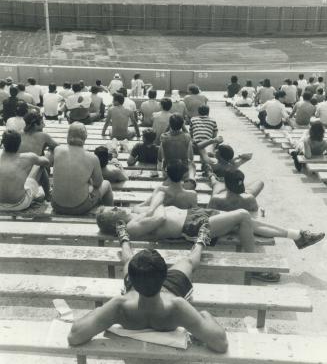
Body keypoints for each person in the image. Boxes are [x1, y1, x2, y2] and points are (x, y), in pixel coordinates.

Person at [68, 225, 228, 353]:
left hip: (136, 294)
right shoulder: (178, 307)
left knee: (129, 260)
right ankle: (200, 243)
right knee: (187, 261)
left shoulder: (119, 306)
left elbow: (74, 336)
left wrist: (98, 313)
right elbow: (220, 343)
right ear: (165, 275)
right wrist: (204, 315)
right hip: (172, 290)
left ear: (130, 280)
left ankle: (124, 240)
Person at [96, 204, 325, 253]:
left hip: (195, 216)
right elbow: (161, 217)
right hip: (193, 227)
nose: (116, 206)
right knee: (243, 215)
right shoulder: (132, 225)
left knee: (247, 222)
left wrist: (153, 205)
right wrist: (157, 207)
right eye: (112, 210)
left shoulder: (135, 214)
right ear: (114, 221)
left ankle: (297, 235)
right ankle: (253, 262)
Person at [52, 123, 113, 215]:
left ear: (68, 136)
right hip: (79, 207)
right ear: (85, 137)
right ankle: (110, 215)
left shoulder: (57, 150)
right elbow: (98, 183)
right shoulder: (92, 158)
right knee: (106, 184)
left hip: (56, 205)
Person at [0, 130, 50, 211]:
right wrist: (48, 154)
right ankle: (48, 196)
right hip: (19, 204)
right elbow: (46, 162)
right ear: (19, 144)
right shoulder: (28, 157)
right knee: (39, 166)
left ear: (3, 143)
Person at [158, 114, 196, 186]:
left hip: (168, 172)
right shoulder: (187, 137)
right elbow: (191, 158)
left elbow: (160, 157)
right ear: (182, 125)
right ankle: (191, 177)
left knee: (162, 146)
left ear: (170, 124)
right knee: (192, 164)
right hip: (183, 172)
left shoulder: (164, 137)